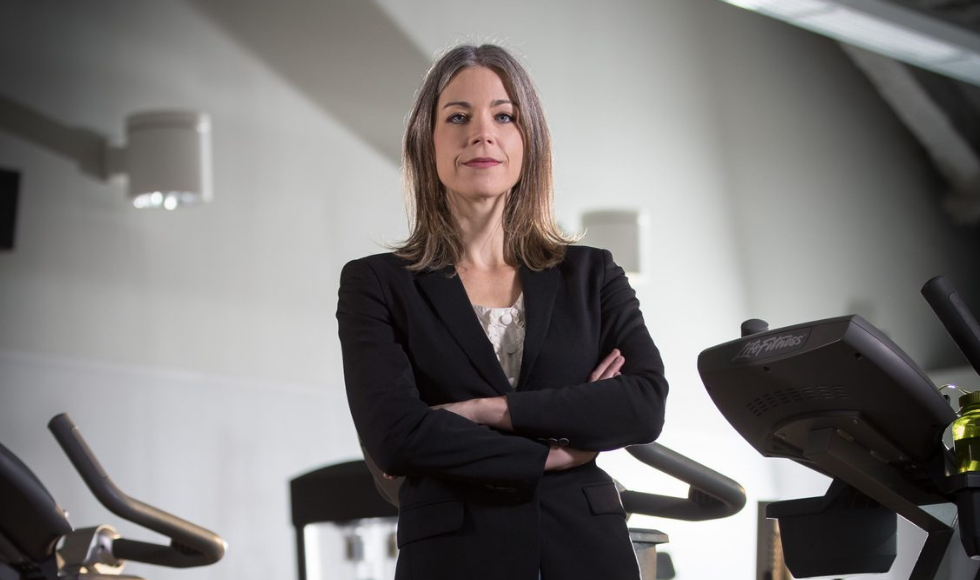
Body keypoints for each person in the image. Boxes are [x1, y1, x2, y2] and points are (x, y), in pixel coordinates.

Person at [337, 43, 668, 580]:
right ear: (428, 143)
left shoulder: (592, 273)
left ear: (527, 140)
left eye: (504, 116)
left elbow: (643, 405)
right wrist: (552, 451)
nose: (481, 133)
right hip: (454, 557)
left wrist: (483, 412)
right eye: (458, 117)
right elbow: (394, 435)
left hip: (586, 553)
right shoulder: (375, 283)